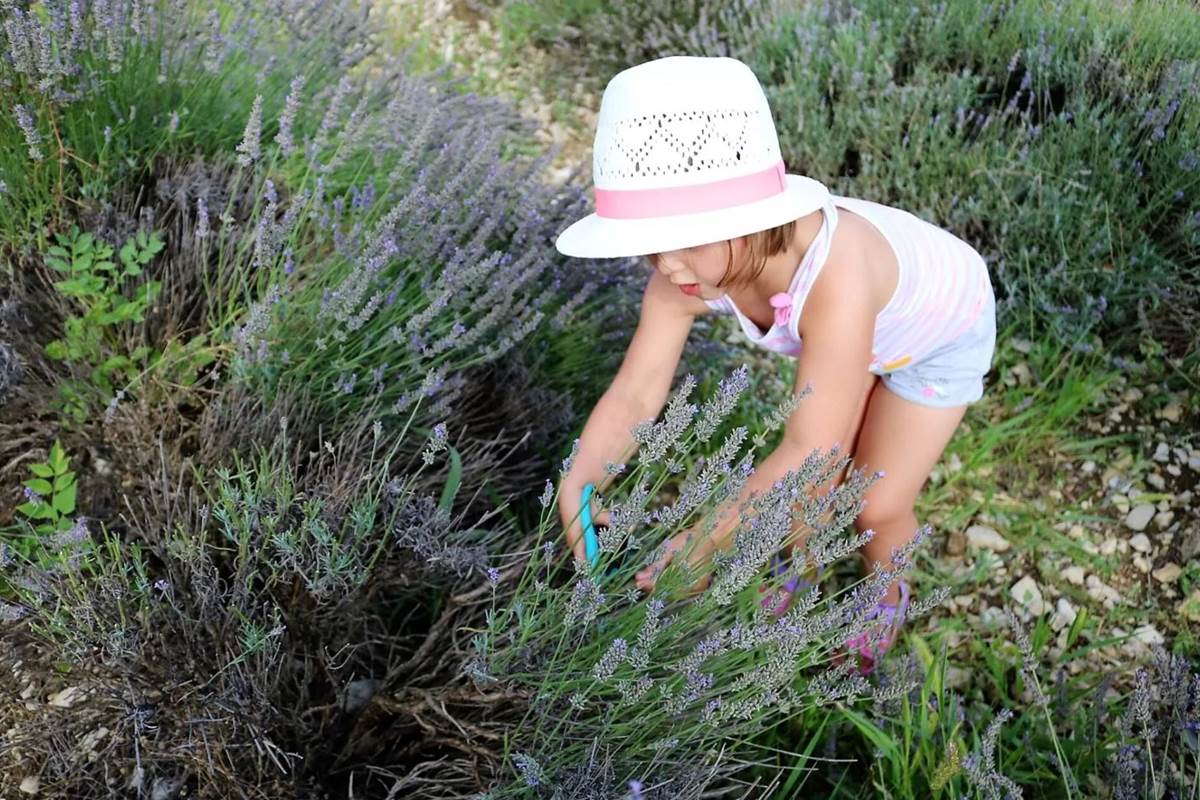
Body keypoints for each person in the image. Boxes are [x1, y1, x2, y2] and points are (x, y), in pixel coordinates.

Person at [554, 56, 996, 674]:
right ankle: (796, 563)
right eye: (649, 245)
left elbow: (805, 445)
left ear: (752, 222)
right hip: (852, 332)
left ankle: (885, 599)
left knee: (873, 503)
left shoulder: (835, 280)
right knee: (813, 486)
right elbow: (636, 392)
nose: (668, 265)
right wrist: (583, 476)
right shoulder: (681, 275)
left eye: (686, 242)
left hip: (936, 335)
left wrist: (705, 545)